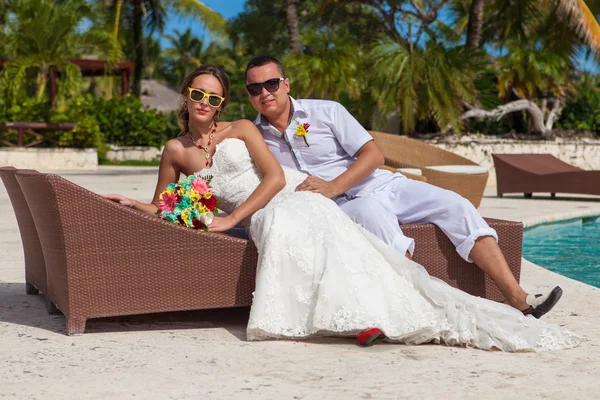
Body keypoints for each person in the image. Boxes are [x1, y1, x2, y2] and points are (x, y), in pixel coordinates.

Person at [105, 65, 579, 352]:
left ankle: (514, 298)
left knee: (440, 207)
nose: (205, 102)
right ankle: (371, 317)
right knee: (331, 229)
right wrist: (134, 206)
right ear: (185, 96)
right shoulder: (179, 149)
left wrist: (229, 218)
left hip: (323, 190)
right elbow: (165, 204)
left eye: (214, 96)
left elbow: (287, 174)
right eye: (197, 94)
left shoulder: (253, 128)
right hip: (291, 203)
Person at [244, 55, 562, 319]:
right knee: (371, 214)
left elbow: (373, 155)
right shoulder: (254, 137)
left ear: (285, 84)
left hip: (379, 183)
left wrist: (332, 185)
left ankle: (518, 297)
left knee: (455, 204)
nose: (265, 93)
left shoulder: (326, 112)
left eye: (271, 83)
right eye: (255, 88)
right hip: (340, 208)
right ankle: (432, 303)